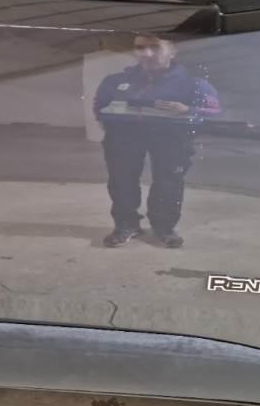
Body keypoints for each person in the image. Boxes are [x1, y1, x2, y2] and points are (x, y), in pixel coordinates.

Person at [94, 34, 221, 248]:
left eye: (155, 47)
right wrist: (115, 118)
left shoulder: (193, 84)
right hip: (124, 137)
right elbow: (99, 107)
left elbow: (214, 111)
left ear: (172, 51)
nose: (147, 53)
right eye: (140, 47)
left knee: (168, 182)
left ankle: (164, 228)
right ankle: (126, 225)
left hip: (171, 138)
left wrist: (188, 110)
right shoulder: (116, 81)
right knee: (121, 181)